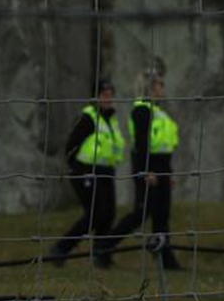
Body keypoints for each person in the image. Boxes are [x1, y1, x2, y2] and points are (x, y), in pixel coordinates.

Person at [103, 70, 182, 270]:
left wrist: (168, 173)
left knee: (162, 215)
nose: (161, 87)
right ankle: (104, 246)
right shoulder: (142, 110)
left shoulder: (159, 111)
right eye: (158, 84)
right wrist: (145, 171)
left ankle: (165, 257)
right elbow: (141, 144)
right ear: (149, 86)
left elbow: (164, 146)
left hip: (162, 168)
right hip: (149, 168)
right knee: (141, 213)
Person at [49, 78, 125, 269]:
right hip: (86, 171)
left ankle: (101, 254)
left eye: (110, 95)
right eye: (104, 95)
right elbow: (71, 146)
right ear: (96, 96)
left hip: (106, 171)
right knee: (95, 214)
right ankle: (61, 248)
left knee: (108, 214)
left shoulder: (111, 119)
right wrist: (78, 170)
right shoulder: (88, 117)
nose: (108, 98)